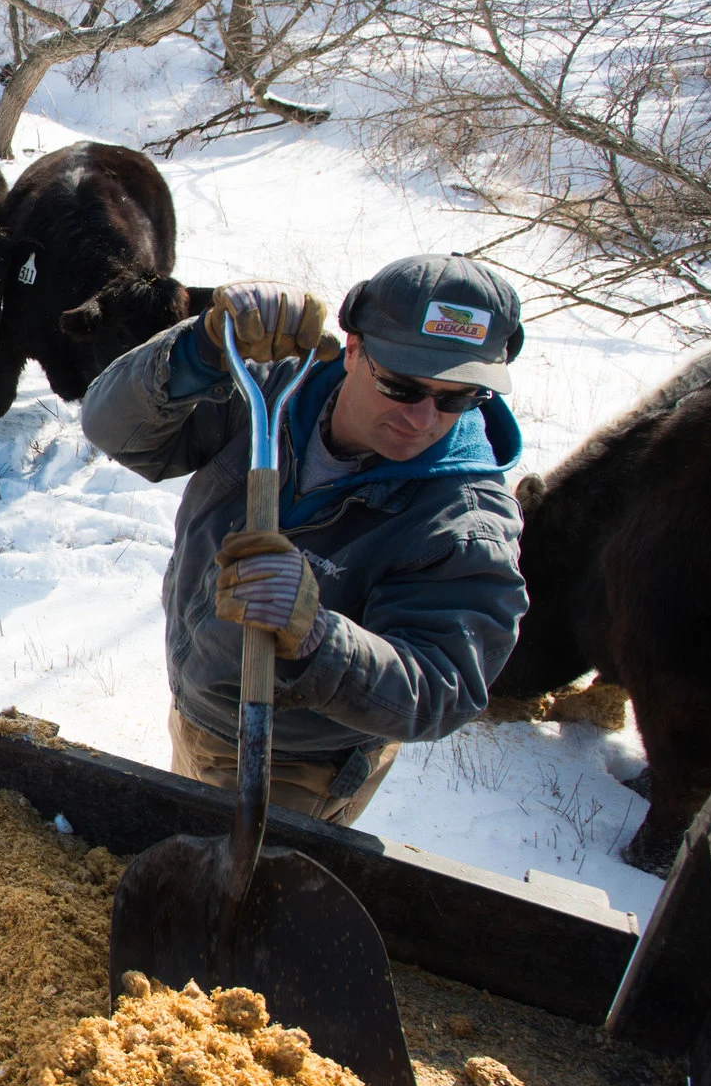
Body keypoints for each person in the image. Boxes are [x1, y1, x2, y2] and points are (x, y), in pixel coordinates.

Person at [78, 254, 528, 825]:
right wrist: (199, 351)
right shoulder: (272, 392)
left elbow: (443, 687)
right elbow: (114, 429)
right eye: (401, 386)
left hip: (296, 767)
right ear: (355, 347)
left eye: (457, 397)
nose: (423, 419)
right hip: (198, 706)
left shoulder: (463, 522)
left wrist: (317, 636)